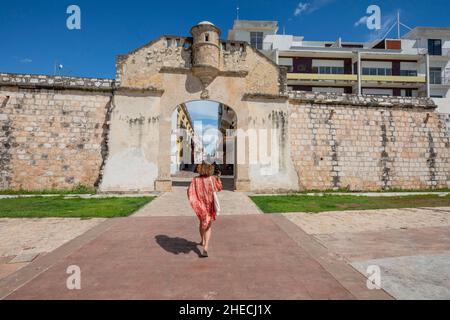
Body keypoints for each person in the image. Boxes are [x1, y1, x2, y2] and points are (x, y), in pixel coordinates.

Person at [187, 163, 222, 258]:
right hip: (209, 205)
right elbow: (219, 188)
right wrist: (218, 178)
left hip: (199, 206)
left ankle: (202, 240)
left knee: (202, 222)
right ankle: (205, 247)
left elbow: (189, 192)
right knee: (208, 225)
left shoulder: (195, 180)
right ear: (209, 169)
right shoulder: (212, 179)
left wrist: (195, 201)